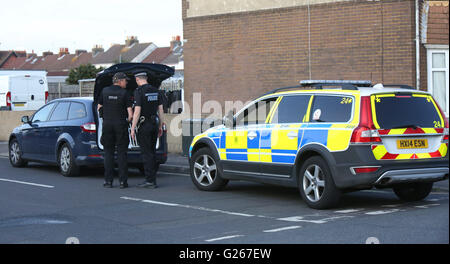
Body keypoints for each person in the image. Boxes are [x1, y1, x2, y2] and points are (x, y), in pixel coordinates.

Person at [98, 72, 133, 189]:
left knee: (108, 153)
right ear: (120, 81)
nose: (127, 83)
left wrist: (106, 116)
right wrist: (128, 121)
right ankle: (123, 182)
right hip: (120, 125)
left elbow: (99, 107)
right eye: (125, 81)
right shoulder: (124, 93)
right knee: (122, 153)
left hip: (107, 125)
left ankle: (108, 181)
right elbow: (130, 114)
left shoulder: (104, 91)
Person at [131, 72, 163, 188]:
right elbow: (160, 110)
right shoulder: (155, 90)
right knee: (152, 152)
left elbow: (137, 111)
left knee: (146, 153)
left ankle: (149, 181)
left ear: (138, 79)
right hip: (154, 124)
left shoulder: (139, 91)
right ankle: (152, 179)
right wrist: (160, 126)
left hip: (144, 125)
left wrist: (133, 128)